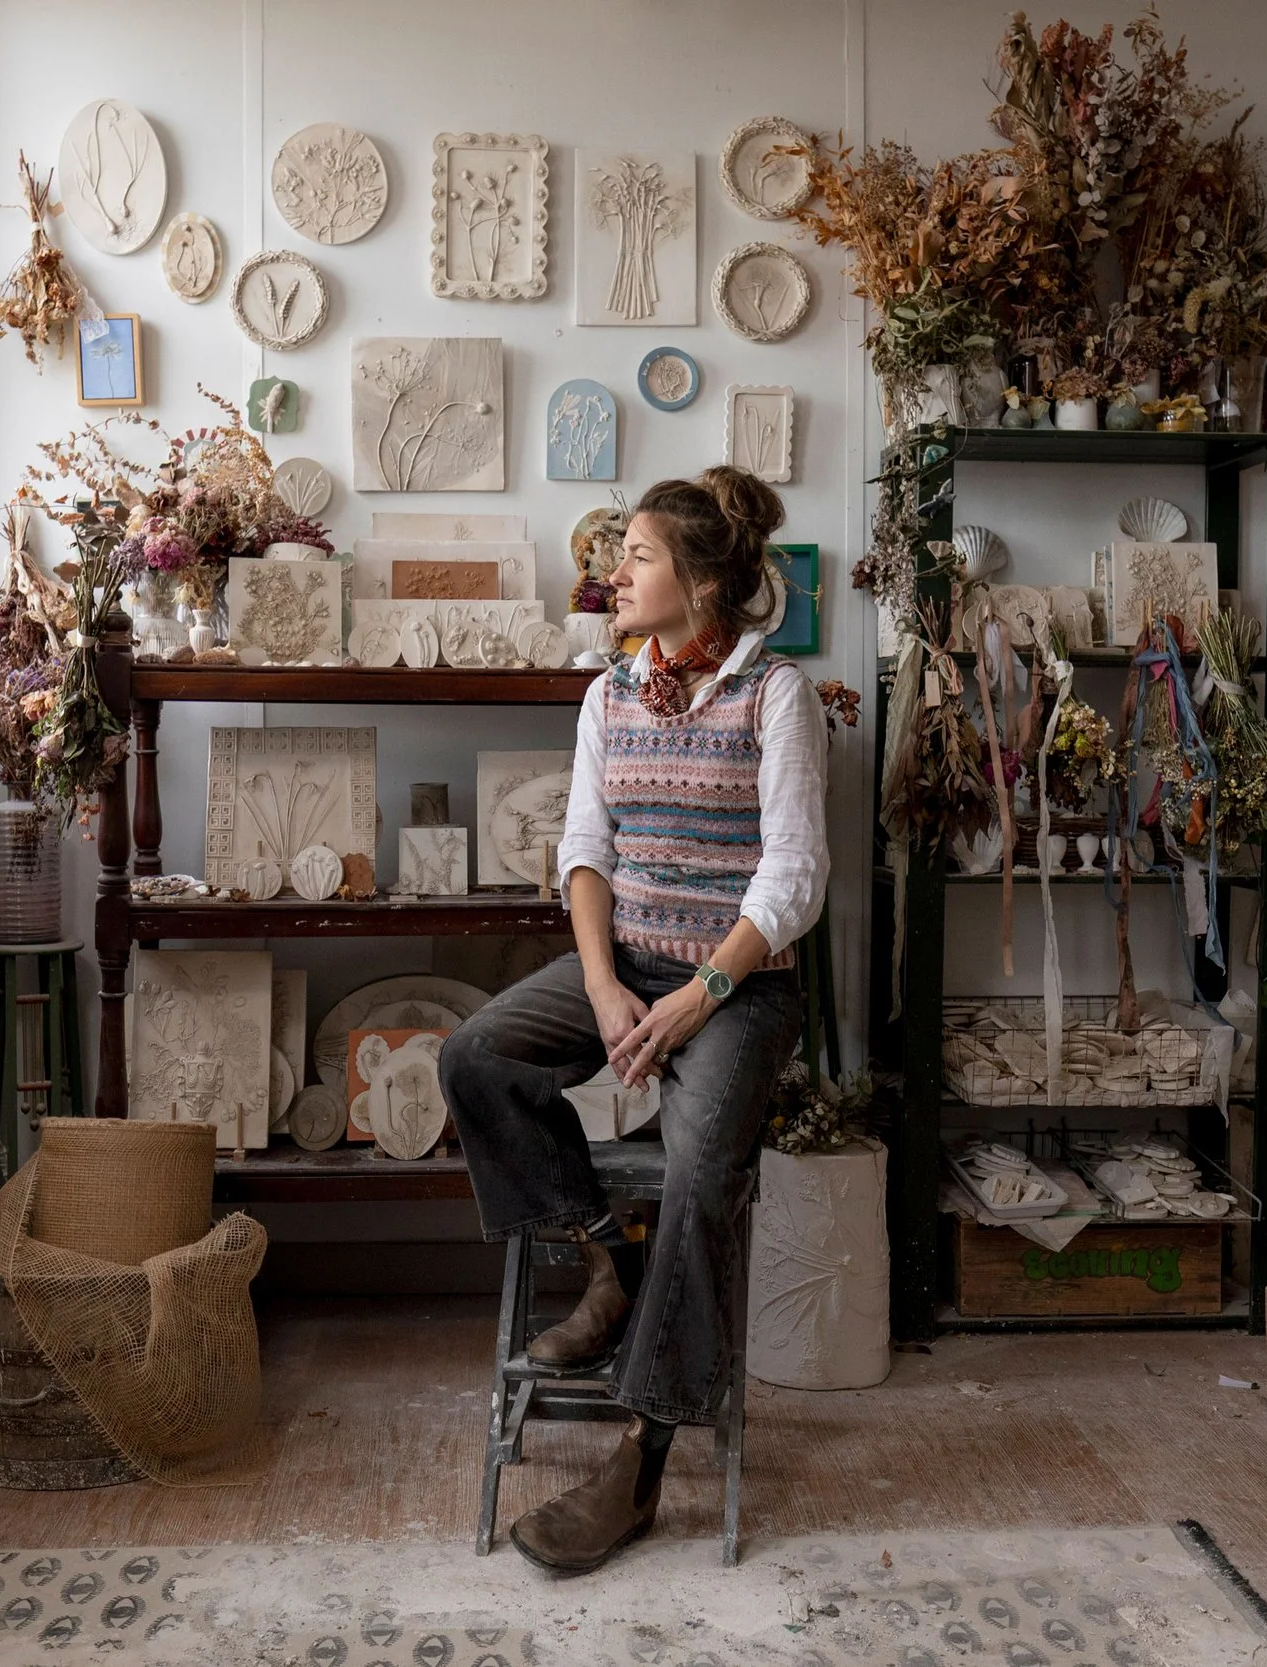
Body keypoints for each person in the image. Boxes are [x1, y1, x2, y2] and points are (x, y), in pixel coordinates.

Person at [440, 466, 827, 1574]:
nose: (615, 573)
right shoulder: (608, 693)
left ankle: (642, 1459)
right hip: (632, 960)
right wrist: (607, 989)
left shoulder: (774, 695)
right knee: (476, 1056)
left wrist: (696, 995)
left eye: (640, 556)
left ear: (701, 582)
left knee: (705, 1167)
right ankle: (610, 1258)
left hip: (740, 984)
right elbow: (584, 852)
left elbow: (795, 876)